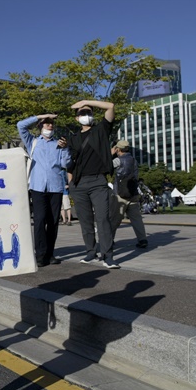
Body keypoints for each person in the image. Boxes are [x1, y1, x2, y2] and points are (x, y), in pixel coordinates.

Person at [67, 100, 119, 269]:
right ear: (76, 118)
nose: (85, 115)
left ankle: (108, 255)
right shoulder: (73, 138)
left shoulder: (101, 130)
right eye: (82, 113)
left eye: (88, 112)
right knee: (85, 220)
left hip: (98, 181)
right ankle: (91, 251)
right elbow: (70, 163)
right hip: (78, 183)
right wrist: (70, 182)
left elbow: (110, 107)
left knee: (103, 219)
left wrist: (85, 102)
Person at [18, 113, 71, 267]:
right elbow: (20, 125)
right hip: (37, 186)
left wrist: (66, 149)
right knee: (40, 220)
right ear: (40, 126)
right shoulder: (32, 142)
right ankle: (40, 254)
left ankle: (50, 253)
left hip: (56, 186)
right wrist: (41, 116)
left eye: (51, 123)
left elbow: (65, 163)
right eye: (46, 123)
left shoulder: (58, 143)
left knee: (53, 221)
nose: (50, 126)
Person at [110, 141, 148, 249]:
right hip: (133, 192)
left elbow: (106, 166)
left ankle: (109, 239)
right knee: (136, 218)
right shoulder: (133, 160)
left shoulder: (118, 160)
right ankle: (142, 239)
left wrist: (110, 155)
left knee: (115, 219)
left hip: (120, 194)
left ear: (118, 149)